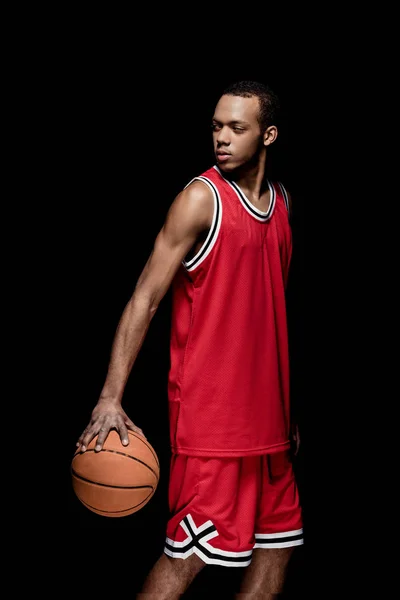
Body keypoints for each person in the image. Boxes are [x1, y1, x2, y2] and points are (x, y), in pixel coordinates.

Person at [76, 80, 304, 599]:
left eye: (236, 128)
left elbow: (266, 318)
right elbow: (144, 300)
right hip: (214, 424)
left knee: (278, 546)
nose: (221, 137)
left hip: (270, 427)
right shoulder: (201, 200)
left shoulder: (283, 204)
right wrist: (110, 396)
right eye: (216, 127)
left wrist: (287, 410)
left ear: (268, 135)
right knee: (189, 558)